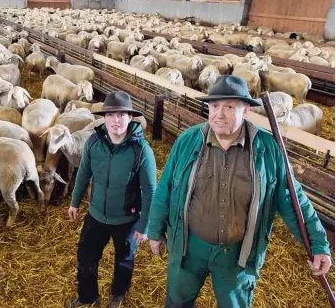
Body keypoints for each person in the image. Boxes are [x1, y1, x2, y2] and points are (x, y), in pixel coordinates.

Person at [147, 75, 332, 307]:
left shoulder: (267, 150)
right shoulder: (188, 141)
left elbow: (293, 200)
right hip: (188, 247)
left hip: (237, 256)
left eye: (229, 107)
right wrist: (154, 230)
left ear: (245, 111)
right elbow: (165, 188)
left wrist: (317, 245)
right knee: (177, 302)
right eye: (214, 106)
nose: (219, 114)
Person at [67, 91, 157, 308]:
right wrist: (74, 202)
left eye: (122, 115)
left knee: (124, 260)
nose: (116, 120)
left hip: (127, 219)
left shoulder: (141, 150)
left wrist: (144, 226)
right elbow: (83, 174)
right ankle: (88, 296)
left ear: (130, 118)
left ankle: (117, 295)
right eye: (111, 115)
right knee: (86, 258)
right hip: (96, 214)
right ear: (104, 118)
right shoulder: (94, 142)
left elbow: (150, 189)